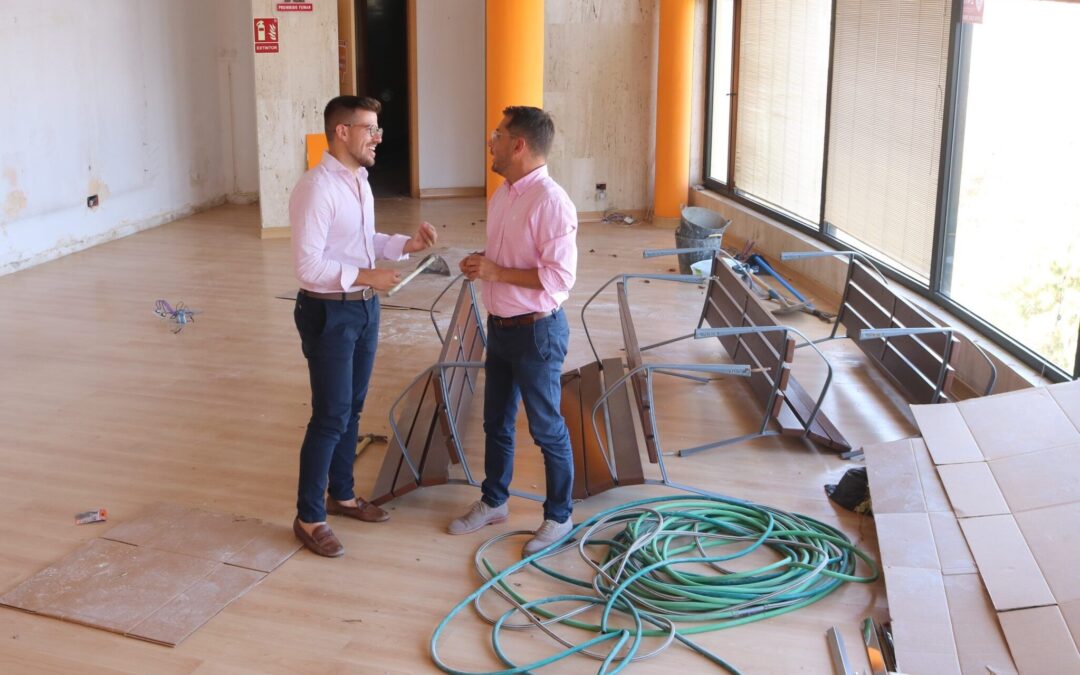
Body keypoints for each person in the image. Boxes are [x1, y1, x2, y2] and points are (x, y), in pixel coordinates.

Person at [289, 95, 437, 557]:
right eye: (369, 128)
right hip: (330, 312)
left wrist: (404, 245)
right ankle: (309, 517)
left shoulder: (359, 180)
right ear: (342, 132)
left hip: (364, 309)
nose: (377, 137)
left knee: (351, 409)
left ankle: (343, 494)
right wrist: (366, 275)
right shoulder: (317, 188)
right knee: (329, 416)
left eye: (377, 128)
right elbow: (308, 265)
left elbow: (361, 240)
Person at [448, 106, 578, 556]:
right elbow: (508, 258)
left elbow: (558, 279)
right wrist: (483, 262)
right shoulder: (502, 194)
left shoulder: (551, 201)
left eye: (498, 135)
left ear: (519, 144)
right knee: (496, 422)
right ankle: (494, 501)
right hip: (500, 327)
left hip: (537, 333)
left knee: (546, 428)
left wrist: (497, 271)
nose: (492, 142)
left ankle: (559, 517)